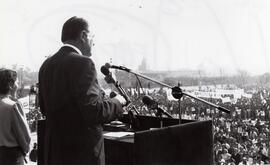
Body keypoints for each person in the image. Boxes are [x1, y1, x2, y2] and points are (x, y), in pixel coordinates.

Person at [38, 16, 126, 165]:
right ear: (83, 36)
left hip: (55, 154)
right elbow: (94, 112)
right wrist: (118, 102)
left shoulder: (46, 65)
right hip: (81, 155)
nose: (94, 42)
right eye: (93, 37)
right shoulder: (84, 63)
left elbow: (44, 108)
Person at [0, 68, 31, 165]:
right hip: (12, 157)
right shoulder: (12, 106)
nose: (17, 85)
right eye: (16, 82)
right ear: (10, 85)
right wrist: (26, 149)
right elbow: (25, 136)